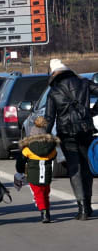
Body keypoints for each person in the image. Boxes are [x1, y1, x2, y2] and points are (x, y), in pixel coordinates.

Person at [45, 59, 98, 220]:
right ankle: (88, 206)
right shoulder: (83, 83)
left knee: (74, 169)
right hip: (85, 130)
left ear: (54, 74)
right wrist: (92, 112)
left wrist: (44, 138)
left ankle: (82, 208)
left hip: (66, 133)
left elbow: (49, 118)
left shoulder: (53, 92)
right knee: (87, 168)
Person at [15, 116, 60, 223]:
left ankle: (44, 212)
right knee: (45, 193)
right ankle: (47, 211)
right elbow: (54, 155)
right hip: (47, 175)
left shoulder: (28, 148)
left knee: (38, 194)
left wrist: (20, 171)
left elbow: (21, 162)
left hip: (33, 175)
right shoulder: (51, 148)